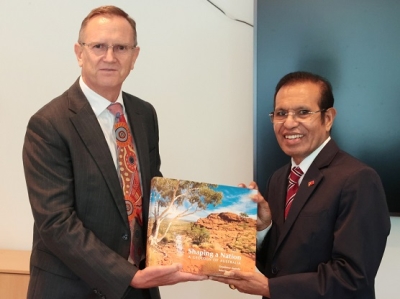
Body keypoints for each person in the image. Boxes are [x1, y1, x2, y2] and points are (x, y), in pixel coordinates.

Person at [23, 5, 206, 299]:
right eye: (98, 46)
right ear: (79, 53)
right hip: (73, 288)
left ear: (134, 56)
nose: (109, 57)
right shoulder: (48, 124)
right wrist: (128, 276)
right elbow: (56, 223)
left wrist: (206, 230)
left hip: (140, 287)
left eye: (121, 47)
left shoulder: (144, 114)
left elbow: (151, 191)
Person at [211, 71, 391, 298]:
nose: (288, 123)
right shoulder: (278, 178)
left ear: (328, 119)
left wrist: (269, 288)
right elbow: (277, 265)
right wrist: (263, 228)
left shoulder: (358, 179)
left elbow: (353, 277)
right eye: (281, 113)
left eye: (303, 112)